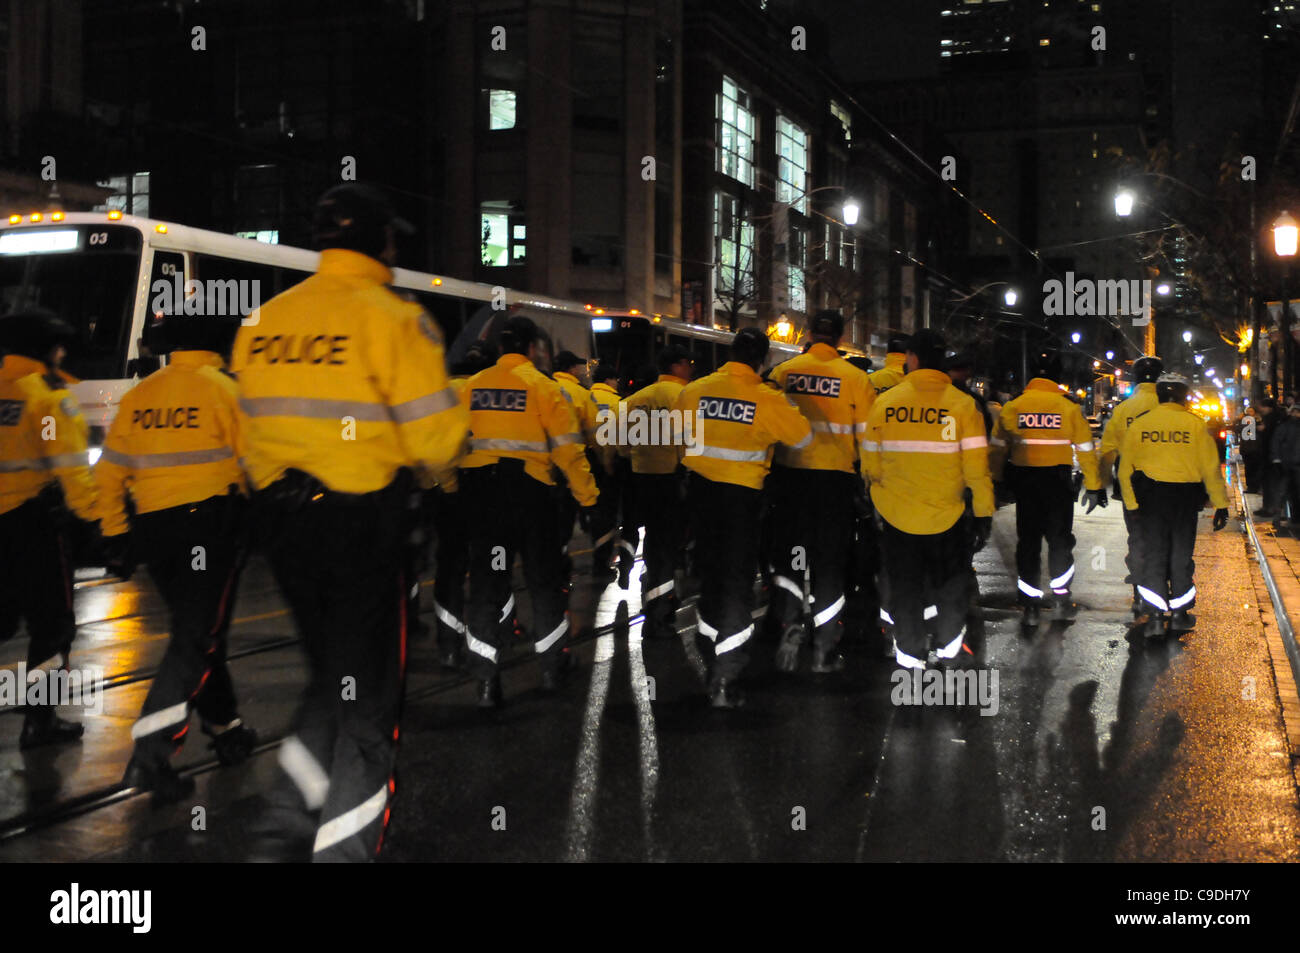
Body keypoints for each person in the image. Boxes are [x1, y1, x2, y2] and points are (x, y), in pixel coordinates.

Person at [231, 183, 469, 862]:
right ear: (379, 241)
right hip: (363, 527)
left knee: (329, 678)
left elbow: (247, 433)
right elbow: (432, 442)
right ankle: (343, 851)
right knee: (369, 706)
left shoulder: (266, 320)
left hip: (284, 526)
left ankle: (283, 822)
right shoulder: (396, 319)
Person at [95, 311, 257, 802]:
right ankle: (151, 754)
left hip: (153, 531)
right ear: (217, 347)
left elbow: (108, 475)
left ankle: (226, 728)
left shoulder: (140, 395)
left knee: (197, 631)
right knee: (197, 639)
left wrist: (115, 534)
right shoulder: (226, 390)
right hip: (209, 527)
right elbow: (256, 463)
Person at [459, 315, 598, 707]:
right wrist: (587, 497)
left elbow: (450, 440)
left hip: (483, 494)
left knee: (487, 586)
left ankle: (486, 683)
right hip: (531, 495)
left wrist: (451, 486)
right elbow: (568, 449)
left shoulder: (473, 386)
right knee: (543, 582)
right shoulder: (543, 387)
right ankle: (553, 668)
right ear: (533, 348)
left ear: (501, 347)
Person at [672, 327, 811, 707]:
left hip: (700, 496)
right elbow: (801, 437)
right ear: (762, 360)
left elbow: (678, 436)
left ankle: (709, 644)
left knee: (711, 576)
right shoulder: (765, 398)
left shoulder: (695, 390)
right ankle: (725, 677)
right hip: (741, 501)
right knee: (735, 582)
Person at [863, 328, 994, 670]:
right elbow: (977, 470)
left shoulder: (886, 402)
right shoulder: (964, 406)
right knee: (950, 588)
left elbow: (871, 465)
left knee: (905, 592)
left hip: (897, 517)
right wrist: (983, 515)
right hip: (947, 518)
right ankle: (949, 655)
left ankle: (910, 663)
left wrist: (878, 502)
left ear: (913, 359)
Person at [0, 309, 99, 749]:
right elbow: (71, 470)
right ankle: (40, 721)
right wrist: (96, 521)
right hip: (32, 525)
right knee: (53, 625)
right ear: (48, 349)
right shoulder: (48, 400)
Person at [766, 310, 876, 674]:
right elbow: (868, 440)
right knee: (829, 563)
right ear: (841, 339)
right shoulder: (856, 379)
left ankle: (790, 619)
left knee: (793, 553)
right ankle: (824, 647)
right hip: (834, 483)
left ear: (809, 333)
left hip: (790, 478)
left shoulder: (784, 372)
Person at [990, 355, 1104, 626]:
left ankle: (1030, 604)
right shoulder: (1068, 408)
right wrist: (1094, 486)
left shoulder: (1014, 406)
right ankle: (1061, 596)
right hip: (1057, 482)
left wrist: (993, 482)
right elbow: (1086, 451)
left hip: (1025, 482)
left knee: (1028, 541)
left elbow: (996, 450)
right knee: (1059, 540)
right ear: (1057, 378)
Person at [1118, 372, 1229, 636]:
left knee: (1154, 555)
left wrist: (1132, 505)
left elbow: (1124, 471)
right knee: (1180, 554)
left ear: (1158, 395)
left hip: (1150, 500)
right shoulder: (1196, 425)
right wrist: (1221, 504)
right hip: (1184, 501)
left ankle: (1155, 616)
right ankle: (1179, 614)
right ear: (1183, 395)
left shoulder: (1142, 425)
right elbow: (1210, 469)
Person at [618, 344, 693, 638]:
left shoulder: (636, 399)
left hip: (641, 478)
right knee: (667, 546)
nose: (690, 367)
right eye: (686, 363)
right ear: (676, 366)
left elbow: (622, 445)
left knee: (652, 542)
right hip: (672, 480)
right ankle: (661, 608)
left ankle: (654, 597)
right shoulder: (686, 397)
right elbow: (690, 442)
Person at [431, 341, 497, 669]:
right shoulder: (488, 392)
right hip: (487, 487)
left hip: (449, 490)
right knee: (486, 568)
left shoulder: (441, 393)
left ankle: (448, 645)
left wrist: (446, 486)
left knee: (449, 569)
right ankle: (484, 649)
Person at [1098, 355, 1163, 617]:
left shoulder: (1123, 410)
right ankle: (1159, 593)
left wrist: (1100, 484)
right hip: (1167, 482)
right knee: (1162, 538)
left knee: (1137, 537)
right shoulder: (1168, 406)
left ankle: (1139, 593)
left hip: (1131, 483)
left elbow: (1108, 449)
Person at [588, 362, 625, 584]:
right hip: (606, 465)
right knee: (606, 515)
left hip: (581, 462)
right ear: (610, 380)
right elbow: (619, 439)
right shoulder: (618, 404)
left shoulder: (584, 397)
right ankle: (601, 563)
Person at [1272, 402, 1300, 532]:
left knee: (1289, 492)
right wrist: (1277, 459)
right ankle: (1280, 517)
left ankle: (1290, 518)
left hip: (1291, 464)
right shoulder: (1285, 426)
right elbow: (1276, 443)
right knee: (1284, 492)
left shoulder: (1285, 426)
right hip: (1287, 464)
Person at [1254, 399, 1283, 517]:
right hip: (1267, 455)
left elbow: (1272, 437)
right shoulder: (1270, 418)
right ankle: (1268, 507)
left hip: (1271, 456)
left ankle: (1271, 508)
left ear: (1269, 408)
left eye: (1263, 407)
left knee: (1270, 483)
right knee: (1267, 483)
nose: (1261, 409)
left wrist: (1263, 430)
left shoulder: (1273, 419)